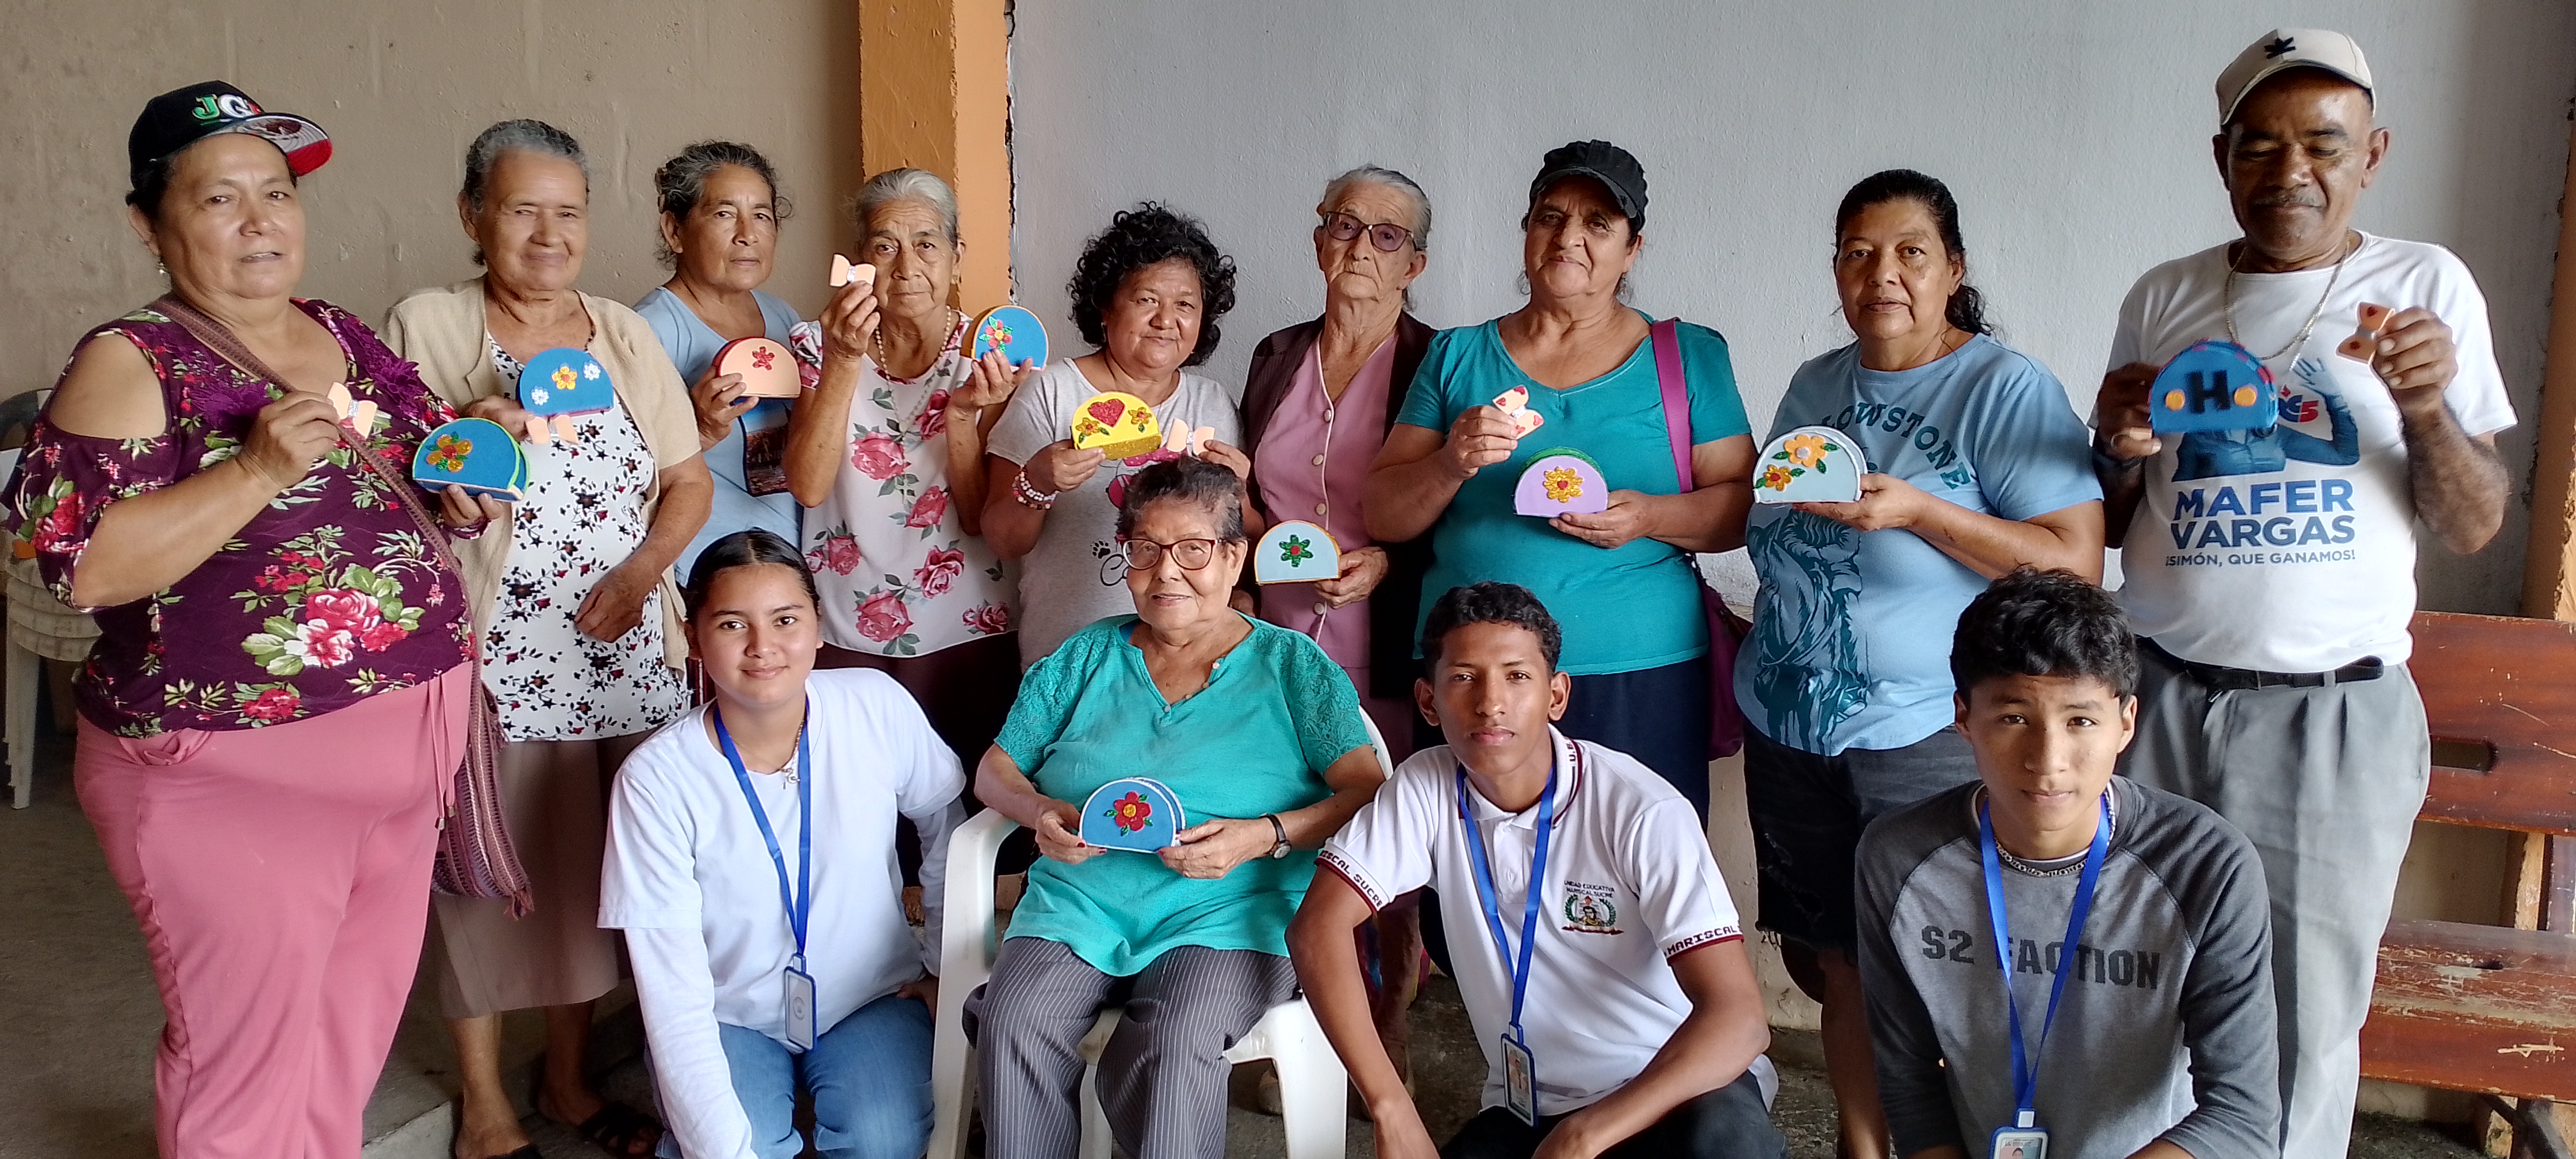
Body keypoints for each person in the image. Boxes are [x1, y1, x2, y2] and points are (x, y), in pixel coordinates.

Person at [3, 80, 501, 1159]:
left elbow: (418, 463)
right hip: (237, 777)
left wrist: (463, 476)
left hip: (402, 758)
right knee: (244, 1066)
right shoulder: (132, 362)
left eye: (276, 192)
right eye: (219, 197)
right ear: (148, 224)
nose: (260, 220)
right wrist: (256, 470)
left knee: (343, 1039)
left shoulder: (337, 330)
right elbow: (86, 570)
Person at [2088, 29, 2516, 1159]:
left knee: (2302, 1018)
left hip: (2331, 715)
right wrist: (2118, 444)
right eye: (2260, 147)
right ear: (2220, 158)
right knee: (2137, 987)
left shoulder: (2422, 286)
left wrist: (2424, 407)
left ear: (2371, 154)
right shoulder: (2165, 293)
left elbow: (2473, 520)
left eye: (2323, 145)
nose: (2291, 173)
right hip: (2156, 701)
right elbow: (2116, 518)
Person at [1737, 169, 2104, 1158]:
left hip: (1921, 733)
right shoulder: (1818, 383)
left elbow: (2074, 561)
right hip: (1790, 727)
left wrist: (1920, 513)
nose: (1882, 275)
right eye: (1858, 254)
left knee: (1939, 971)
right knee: (1837, 965)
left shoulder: (2003, 388)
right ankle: (1862, 1149)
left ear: (1954, 269)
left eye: (1909, 253)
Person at [384, 118, 711, 1159]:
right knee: (480, 872)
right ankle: (484, 1108)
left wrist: (642, 573)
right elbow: (390, 490)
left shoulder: (619, 332)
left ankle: (567, 1083)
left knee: (588, 882)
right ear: (473, 216)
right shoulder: (429, 323)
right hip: (498, 658)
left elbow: (687, 480)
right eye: (522, 210)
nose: (548, 234)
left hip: (624, 653)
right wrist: (462, 449)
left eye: (567, 213)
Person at [964, 458, 1385, 1159]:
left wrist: (1264, 835)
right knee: (1015, 1020)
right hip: (1082, 900)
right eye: (1146, 549)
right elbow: (995, 770)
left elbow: (1368, 791)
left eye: (1193, 550)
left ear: (1234, 557)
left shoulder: (1293, 665)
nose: (1166, 572)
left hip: (1229, 909)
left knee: (1174, 1039)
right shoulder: (1085, 656)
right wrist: (1038, 812)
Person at [1291, 582, 1785, 1159]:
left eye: (1517, 676)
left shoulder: (1639, 809)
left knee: (1725, 1144)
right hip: (1534, 1106)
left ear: (1556, 695)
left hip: (1676, 1088)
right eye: (1464, 677)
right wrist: (1390, 1107)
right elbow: (1317, 929)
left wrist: (1585, 1136)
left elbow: (1740, 1020)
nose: (1490, 703)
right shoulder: (1424, 788)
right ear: (1428, 701)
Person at [1364, 140, 1754, 818]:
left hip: (1640, 668)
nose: (1569, 237)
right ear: (1527, 232)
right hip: (1475, 674)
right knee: (1475, 866)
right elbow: (1383, 514)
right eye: (1551, 216)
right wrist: (1450, 462)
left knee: (1639, 863)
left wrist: (1650, 517)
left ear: (1632, 250)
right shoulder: (1457, 355)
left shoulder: (1688, 357)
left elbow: (1743, 508)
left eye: (1598, 223)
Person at [1857, 568, 2279, 1159]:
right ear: (1963, 718)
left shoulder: (2205, 863)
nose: (2048, 760)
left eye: (2080, 721)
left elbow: (2241, 1118)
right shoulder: (1897, 858)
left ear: (2125, 723)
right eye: (2013, 718)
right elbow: (1909, 1080)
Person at [602, 530, 964, 1159]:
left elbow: (946, 829)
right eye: (732, 624)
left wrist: (943, 968)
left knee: (883, 1139)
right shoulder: (656, 780)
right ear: (693, 639)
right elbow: (672, 991)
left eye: (785, 619)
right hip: (727, 1014)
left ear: (818, 626)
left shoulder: (874, 705)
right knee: (731, 1145)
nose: (762, 646)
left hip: (871, 998)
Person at [1241, 163, 1441, 1091]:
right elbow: (1251, 495)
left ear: (1415, 264)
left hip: (1381, 630)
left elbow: (1454, 499)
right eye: (1344, 224)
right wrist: (1252, 539)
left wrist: (1390, 561)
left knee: (1385, 838)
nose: (1360, 246)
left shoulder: (1438, 361)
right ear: (1319, 237)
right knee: (1284, 818)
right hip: (1280, 636)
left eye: (1386, 234)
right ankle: (1291, 1026)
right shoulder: (1276, 353)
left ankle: (1388, 1024)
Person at [783, 167, 1021, 763]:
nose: (907, 266)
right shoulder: (817, 343)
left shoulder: (991, 352)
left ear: (957, 257)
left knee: (969, 791)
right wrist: (843, 360)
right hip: (847, 616)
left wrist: (962, 415)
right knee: (858, 790)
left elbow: (978, 516)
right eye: (885, 247)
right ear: (859, 261)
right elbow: (808, 486)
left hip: (966, 620)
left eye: (927, 244)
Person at [983, 204, 1249, 666]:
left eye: (1185, 305)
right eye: (1147, 300)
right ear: (1105, 307)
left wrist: (1241, 492)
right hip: (1067, 656)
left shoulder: (1212, 404)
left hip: (1185, 664)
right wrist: (1039, 482)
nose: (1165, 320)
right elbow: (1003, 542)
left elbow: (1235, 540)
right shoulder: (1052, 392)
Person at [632, 141, 806, 578]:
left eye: (762, 216)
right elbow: (621, 475)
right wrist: (702, 431)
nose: (748, 233)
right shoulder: (648, 330)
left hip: (789, 560)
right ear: (675, 231)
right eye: (725, 214)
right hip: (705, 568)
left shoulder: (784, 318)